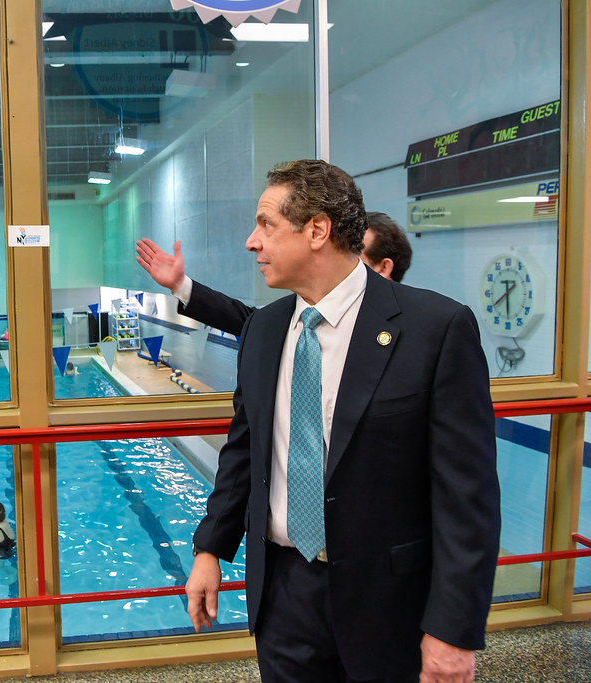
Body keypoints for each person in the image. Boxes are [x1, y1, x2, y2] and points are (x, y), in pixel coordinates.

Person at [184, 160, 499, 682]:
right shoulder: (264, 331)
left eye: (265, 224)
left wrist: (453, 628)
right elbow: (244, 452)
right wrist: (211, 548)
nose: (251, 242)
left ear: (316, 231)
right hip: (284, 594)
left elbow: (468, 497)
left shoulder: (434, 330)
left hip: (389, 601)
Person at [135, 212, 413, 338]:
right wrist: (180, 285)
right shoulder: (299, 320)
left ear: (383, 267)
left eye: (356, 254)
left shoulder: (424, 332)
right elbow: (245, 319)